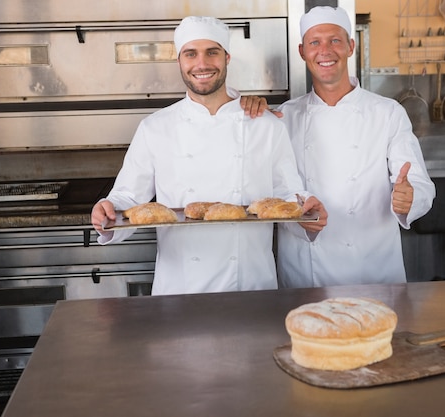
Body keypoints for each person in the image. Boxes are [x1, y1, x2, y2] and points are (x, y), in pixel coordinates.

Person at [91, 16, 327, 296]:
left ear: (227, 57)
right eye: (191, 54)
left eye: (212, 52)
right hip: (180, 286)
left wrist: (307, 211)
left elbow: (289, 195)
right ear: (179, 61)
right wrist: (106, 211)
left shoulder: (266, 125)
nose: (202, 64)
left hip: (250, 284)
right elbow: (127, 200)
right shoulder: (155, 127)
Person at [242, 6, 435, 286]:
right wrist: (299, 215)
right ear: (302, 51)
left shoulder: (387, 112)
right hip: (305, 270)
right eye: (315, 42)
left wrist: (410, 198)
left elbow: (418, 182)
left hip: (374, 268)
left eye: (334, 40)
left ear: (350, 46)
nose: (325, 51)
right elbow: (272, 189)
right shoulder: (284, 117)